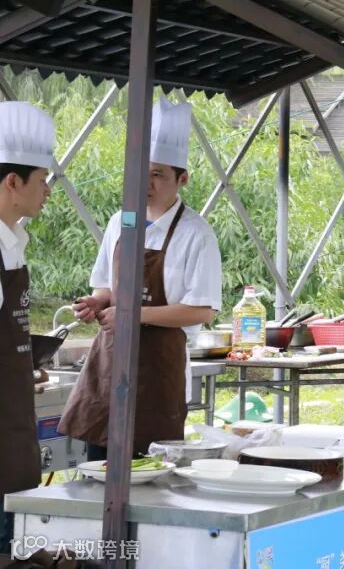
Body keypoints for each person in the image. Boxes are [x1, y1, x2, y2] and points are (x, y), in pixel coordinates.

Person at [61, 99, 222, 459]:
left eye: (158, 174)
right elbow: (106, 285)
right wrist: (98, 301)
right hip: (110, 364)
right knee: (98, 468)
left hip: (159, 375)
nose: (146, 183)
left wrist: (133, 315)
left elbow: (202, 309)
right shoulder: (120, 221)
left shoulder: (196, 234)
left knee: (149, 473)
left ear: (182, 179)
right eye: (140, 171)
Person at [0, 102, 55, 554]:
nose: (48, 191)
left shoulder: (13, 243)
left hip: (12, 422)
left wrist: (22, 368)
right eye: (41, 180)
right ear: (12, 183)